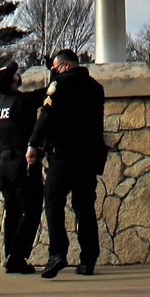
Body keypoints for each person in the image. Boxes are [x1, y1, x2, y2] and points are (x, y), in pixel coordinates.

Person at [26, 48, 106, 279]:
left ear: (64, 66)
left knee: (53, 202)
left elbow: (47, 116)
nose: (53, 71)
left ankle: (57, 253)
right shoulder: (95, 88)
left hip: (62, 155)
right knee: (84, 207)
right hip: (88, 157)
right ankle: (88, 259)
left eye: (54, 67)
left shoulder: (59, 85)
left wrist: (33, 144)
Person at [0, 61, 44, 274]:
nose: (18, 76)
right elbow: (47, 93)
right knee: (31, 210)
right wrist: (53, 74)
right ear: (13, 82)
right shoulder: (22, 102)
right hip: (20, 163)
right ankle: (17, 257)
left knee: (12, 211)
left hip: (2, 164)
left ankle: (10, 256)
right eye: (15, 75)